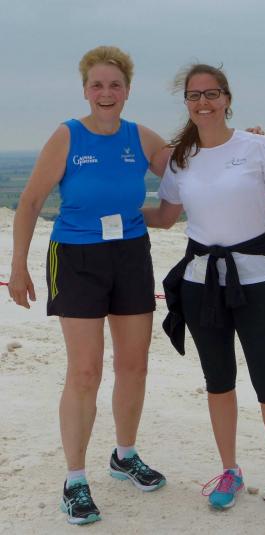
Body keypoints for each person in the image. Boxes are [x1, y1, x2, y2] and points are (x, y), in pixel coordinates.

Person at [7, 46, 168, 526]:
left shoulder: (141, 136)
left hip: (130, 254)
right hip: (76, 256)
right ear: (85, 90)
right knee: (85, 371)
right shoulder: (68, 135)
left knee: (134, 365)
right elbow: (31, 201)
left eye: (114, 85)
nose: (106, 93)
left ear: (127, 90)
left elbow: (195, 165)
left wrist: (247, 142)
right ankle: (75, 480)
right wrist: (19, 266)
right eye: (97, 85)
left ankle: (124, 455)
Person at [143, 64, 265, 513]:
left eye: (212, 94)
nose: (203, 103)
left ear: (227, 99)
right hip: (201, 283)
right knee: (218, 381)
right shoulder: (180, 158)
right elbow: (166, 216)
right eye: (195, 96)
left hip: (260, 281)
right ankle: (230, 470)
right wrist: (113, 213)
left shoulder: (257, 147)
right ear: (186, 103)